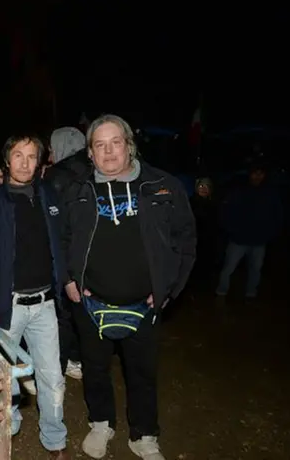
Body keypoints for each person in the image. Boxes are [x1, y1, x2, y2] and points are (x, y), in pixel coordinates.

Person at [62, 115, 196, 460]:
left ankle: (144, 435)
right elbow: (61, 239)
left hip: (145, 303)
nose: (108, 152)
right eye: (100, 145)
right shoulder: (77, 191)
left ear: (129, 146)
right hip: (90, 302)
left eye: (115, 143)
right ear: (90, 153)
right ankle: (101, 423)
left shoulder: (162, 186)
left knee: (142, 373)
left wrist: (168, 289)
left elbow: (185, 240)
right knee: (95, 370)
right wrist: (68, 280)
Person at [0, 134, 70, 460]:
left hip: (45, 305)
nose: (24, 163)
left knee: (52, 378)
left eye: (31, 156)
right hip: (5, 307)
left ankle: (55, 439)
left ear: (41, 163)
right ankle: (8, 428)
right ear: (7, 161)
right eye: (18, 155)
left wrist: (67, 281)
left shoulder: (49, 199)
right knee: (3, 377)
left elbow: (62, 244)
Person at [43, 126, 89, 380]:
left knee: (59, 314)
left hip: (63, 255)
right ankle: (76, 358)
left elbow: (51, 221)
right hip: (87, 256)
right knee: (79, 311)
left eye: (52, 148)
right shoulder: (95, 170)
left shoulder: (56, 177)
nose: (50, 154)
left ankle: (55, 370)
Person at [215, 163, 283, 303]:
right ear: (250, 174)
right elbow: (225, 212)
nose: (258, 176)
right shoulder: (238, 191)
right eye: (255, 173)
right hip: (238, 240)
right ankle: (221, 291)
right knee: (228, 268)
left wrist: (269, 234)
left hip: (259, 241)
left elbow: (277, 215)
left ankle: (251, 293)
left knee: (256, 270)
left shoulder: (270, 193)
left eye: (260, 173)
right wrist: (232, 230)